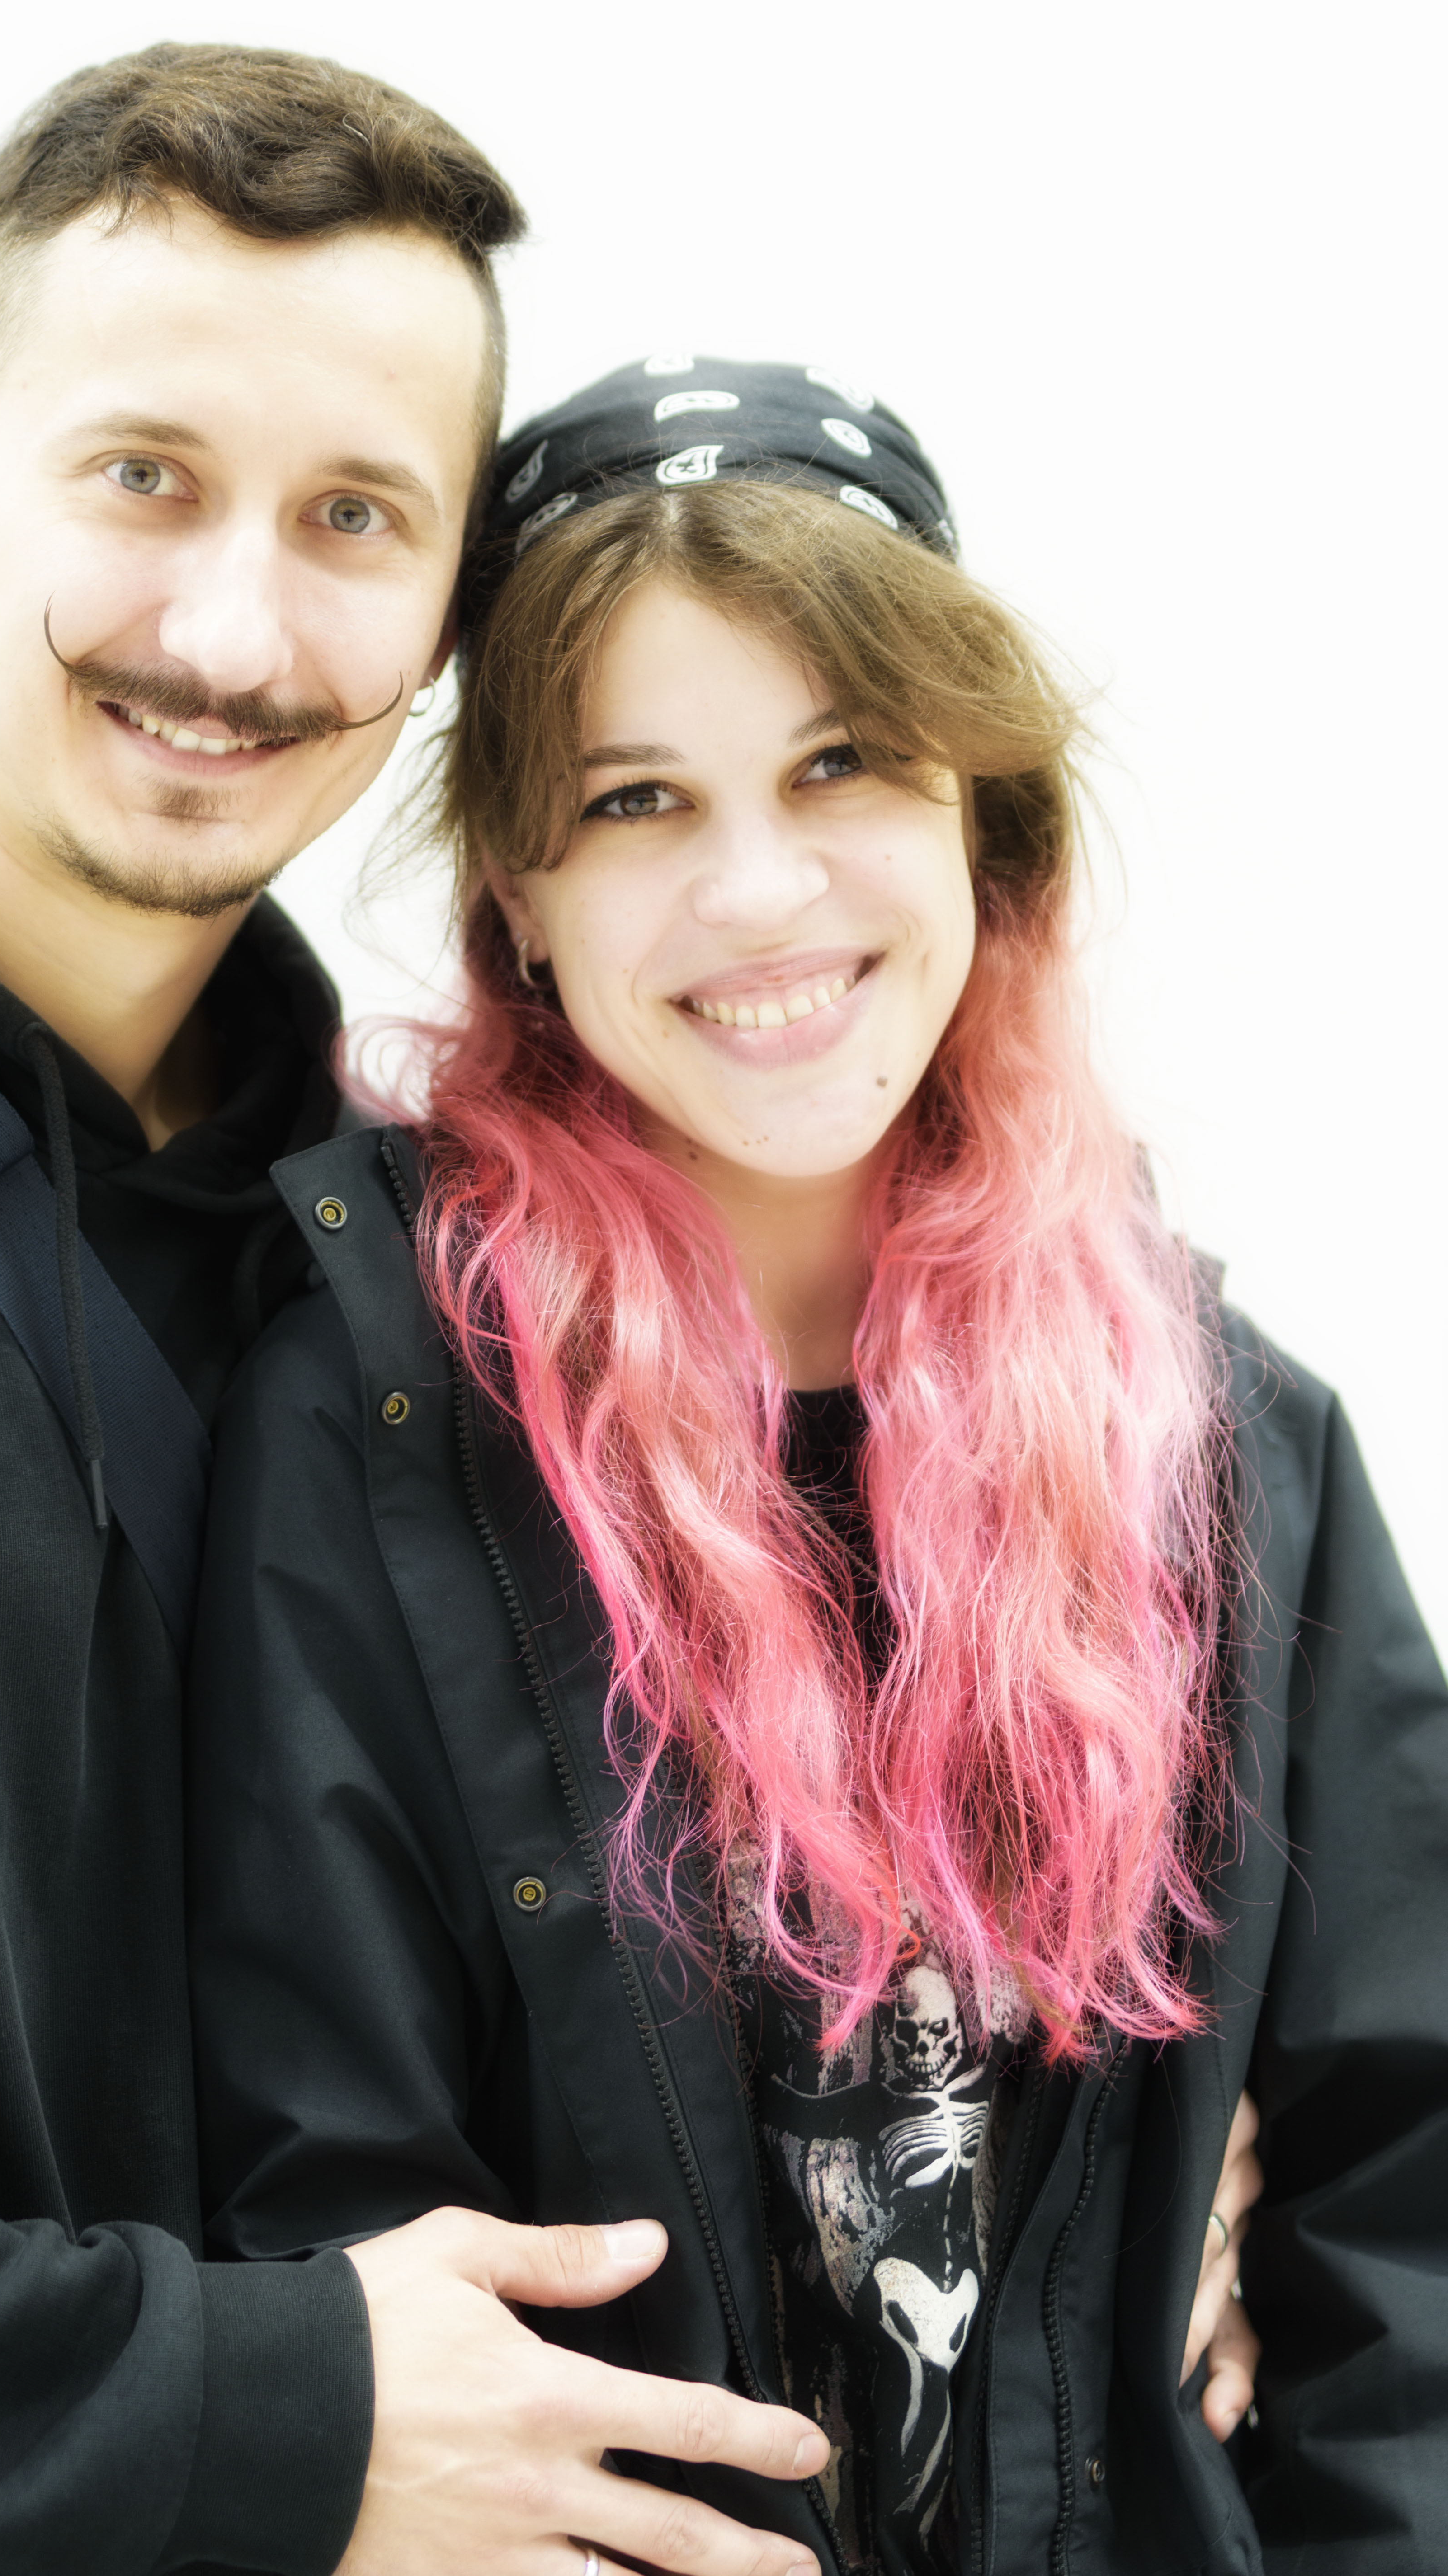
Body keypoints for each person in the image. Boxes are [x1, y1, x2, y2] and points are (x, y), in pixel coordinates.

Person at [0, 62, 837, 2576]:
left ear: (447, 620)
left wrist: (1152, 2172)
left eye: (352, 520)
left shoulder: (425, 1272)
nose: (230, 631)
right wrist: (247, 2414)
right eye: (143, 476)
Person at [190, 361, 1447, 2572]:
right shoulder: (370, 1425)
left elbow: (1403, 2190)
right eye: (636, 800)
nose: (759, 891)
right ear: (518, 892)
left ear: (983, 813)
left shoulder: (1222, 1441)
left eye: (841, 762)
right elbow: (320, 2189)